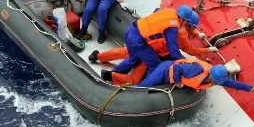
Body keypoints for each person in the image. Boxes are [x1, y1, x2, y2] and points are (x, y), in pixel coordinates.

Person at [91, 11, 219, 85]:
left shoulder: (177, 22)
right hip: (153, 51)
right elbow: (193, 51)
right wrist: (208, 50)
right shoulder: (182, 35)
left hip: (146, 42)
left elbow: (187, 30)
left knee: (124, 53)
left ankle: (98, 56)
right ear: (187, 23)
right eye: (194, 27)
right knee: (137, 76)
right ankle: (112, 76)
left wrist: (198, 34)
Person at [110, 4, 193, 78]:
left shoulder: (168, 11)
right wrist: (179, 61)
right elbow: (172, 45)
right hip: (138, 41)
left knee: (134, 59)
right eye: (186, 21)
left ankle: (112, 74)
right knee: (155, 65)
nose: (186, 24)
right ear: (182, 19)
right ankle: (145, 86)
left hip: (131, 31)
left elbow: (156, 10)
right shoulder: (172, 26)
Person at [135, 59, 254, 99]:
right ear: (210, 77)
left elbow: (237, 85)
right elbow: (176, 68)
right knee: (143, 88)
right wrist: (177, 83)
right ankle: (127, 89)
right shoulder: (197, 70)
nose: (215, 84)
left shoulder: (218, 77)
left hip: (169, 76)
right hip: (164, 70)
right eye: (215, 82)